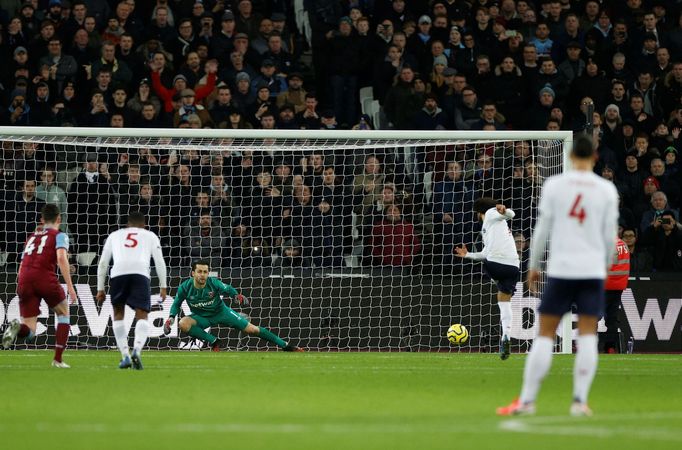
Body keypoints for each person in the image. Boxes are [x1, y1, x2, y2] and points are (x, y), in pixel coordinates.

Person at [497, 136, 619, 417]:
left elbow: (542, 230)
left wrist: (533, 264)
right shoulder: (606, 190)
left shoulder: (555, 185)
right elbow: (610, 235)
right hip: (591, 270)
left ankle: (527, 401)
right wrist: (605, 264)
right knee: (588, 334)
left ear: (570, 156)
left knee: (545, 334)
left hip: (563, 268)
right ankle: (579, 401)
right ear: (595, 158)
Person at [163, 260, 303, 352]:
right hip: (201, 317)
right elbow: (176, 304)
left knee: (252, 329)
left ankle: (284, 345)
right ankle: (214, 341)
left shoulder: (213, 283)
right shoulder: (185, 287)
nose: (203, 275)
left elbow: (228, 289)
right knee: (183, 323)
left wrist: (237, 296)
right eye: (199, 271)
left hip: (222, 313)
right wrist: (170, 318)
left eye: (205, 272)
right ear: (193, 273)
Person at [2, 204, 78, 368]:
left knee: (30, 332)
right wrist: (70, 286)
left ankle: (18, 328)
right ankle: (57, 359)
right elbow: (62, 258)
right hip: (43, 276)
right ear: (59, 219)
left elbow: (22, 264)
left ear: (42, 220)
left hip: (24, 278)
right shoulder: (59, 235)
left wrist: (20, 283)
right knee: (63, 312)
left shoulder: (31, 237)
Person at [96, 211, 168, 370]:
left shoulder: (114, 235)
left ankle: (125, 356)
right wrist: (163, 286)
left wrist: (100, 288)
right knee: (142, 313)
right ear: (144, 225)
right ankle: (137, 350)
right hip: (140, 273)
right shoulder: (150, 235)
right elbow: (159, 261)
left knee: (118, 313)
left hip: (118, 274)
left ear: (127, 224)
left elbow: (103, 263)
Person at [454, 197, 520, 360]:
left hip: (496, 265)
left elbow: (511, 214)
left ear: (478, 213)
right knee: (504, 300)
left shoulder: (490, 214)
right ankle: (506, 336)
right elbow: (484, 253)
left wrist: (504, 210)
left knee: (487, 265)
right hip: (513, 267)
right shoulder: (493, 227)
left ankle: (495, 280)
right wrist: (467, 255)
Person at [602, 237, 630, 353]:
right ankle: (610, 347)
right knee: (612, 319)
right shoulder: (623, 244)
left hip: (604, 285)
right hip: (618, 286)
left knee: (593, 316)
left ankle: (589, 346)